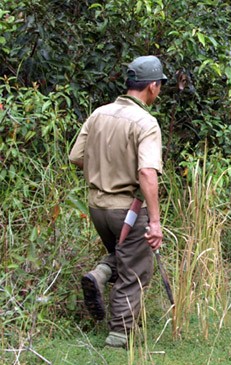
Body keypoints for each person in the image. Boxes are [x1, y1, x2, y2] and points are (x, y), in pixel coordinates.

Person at [69, 55, 166, 348]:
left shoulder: (99, 114)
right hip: (128, 210)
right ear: (151, 86)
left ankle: (100, 273)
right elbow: (147, 172)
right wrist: (155, 221)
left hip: (97, 207)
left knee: (125, 255)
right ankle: (118, 337)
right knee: (135, 271)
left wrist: (104, 170)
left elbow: (75, 157)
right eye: (159, 85)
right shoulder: (146, 122)